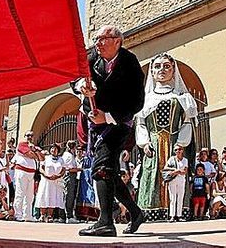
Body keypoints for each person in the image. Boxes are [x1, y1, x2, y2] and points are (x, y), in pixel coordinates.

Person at [72, 25, 145, 237]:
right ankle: (135, 212)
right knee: (110, 173)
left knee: (102, 166)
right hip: (95, 122)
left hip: (118, 123)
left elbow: (137, 103)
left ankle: (105, 222)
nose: (97, 42)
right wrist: (81, 87)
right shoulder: (93, 56)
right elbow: (76, 77)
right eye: (96, 38)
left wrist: (108, 116)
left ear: (117, 41)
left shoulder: (130, 63)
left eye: (103, 38)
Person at [134, 54, 197, 219]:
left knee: (176, 176)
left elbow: (187, 122)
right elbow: (140, 122)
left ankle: (176, 212)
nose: (162, 70)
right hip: (153, 144)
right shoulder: (146, 99)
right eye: (157, 66)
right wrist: (144, 143)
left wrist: (181, 143)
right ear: (152, 72)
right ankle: (150, 213)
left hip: (174, 142)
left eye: (166, 66)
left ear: (173, 70)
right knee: (151, 174)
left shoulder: (183, 97)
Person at [11, 131, 41, 222]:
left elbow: (41, 157)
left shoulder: (33, 147)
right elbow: (30, 155)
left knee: (30, 196)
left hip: (31, 173)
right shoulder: (21, 144)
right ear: (24, 136)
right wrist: (36, 152)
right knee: (20, 193)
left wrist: (35, 151)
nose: (30, 137)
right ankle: (18, 214)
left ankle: (27, 215)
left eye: (31, 135)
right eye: (28, 135)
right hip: (22, 171)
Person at [37, 143, 66, 222]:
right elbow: (41, 168)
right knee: (44, 196)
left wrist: (58, 176)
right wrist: (46, 175)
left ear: (58, 151)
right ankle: (42, 215)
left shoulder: (61, 159)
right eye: (52, 148)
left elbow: (63, 170)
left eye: (55, 149)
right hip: (46, 181)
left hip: (55, 181)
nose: (53, 150)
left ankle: (50, 215)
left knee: (53, 197)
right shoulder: (46, 158)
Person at [162, 144, 188, 222]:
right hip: (173, 180)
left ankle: (179, 215)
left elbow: (184, 172)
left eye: (179, 149)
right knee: (172, 198)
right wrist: (175, 170)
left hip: (181, 180)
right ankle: (172, 215)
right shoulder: (171, 159)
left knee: (180, 197)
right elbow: (165, 168)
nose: (178, 151)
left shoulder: (185, 160)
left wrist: (178, 172)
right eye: (176, 150)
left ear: (182, 150)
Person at [61, 139, 81, 224]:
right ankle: (68, 216)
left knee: (70, 196)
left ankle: (67, 215)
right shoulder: (68, 156)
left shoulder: (69, 155)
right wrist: (80, 169)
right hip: (70, 177)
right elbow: (68, 169)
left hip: (71, 177)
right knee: (69, 196)